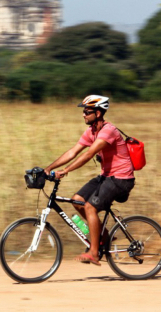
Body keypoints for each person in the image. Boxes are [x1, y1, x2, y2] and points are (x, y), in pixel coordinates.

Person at [44, 95, 135, 265]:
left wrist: (65, 171)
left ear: (99, 113)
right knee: (77, 201)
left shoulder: (108, 131)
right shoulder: (91, 131)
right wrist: (47, 169)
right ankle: (104, 236)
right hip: (107, 176)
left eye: (87, 111)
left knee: (90, 207)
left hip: (121, 178)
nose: (83, 114)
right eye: (83, 111)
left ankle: (94, 252)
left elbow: (88, 154)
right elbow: (73, 152)